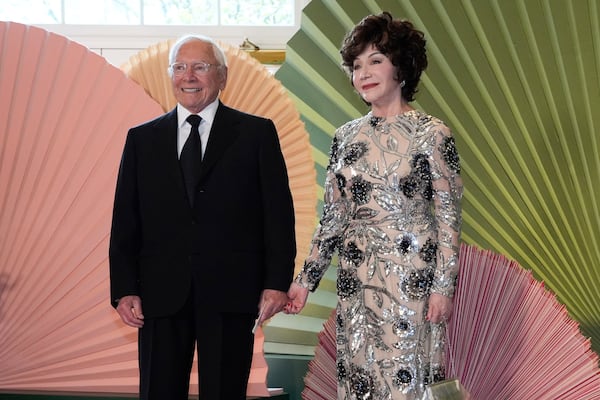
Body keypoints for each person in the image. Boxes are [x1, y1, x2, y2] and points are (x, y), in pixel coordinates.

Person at [285, 12, 463, 399]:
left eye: (375, 60)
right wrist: (305, 280)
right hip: (357, 275)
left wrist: (442, 287)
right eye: (356, 65)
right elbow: (333, 217)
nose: (363, 72)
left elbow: (449, 217)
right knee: (360, 378)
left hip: (411, 276)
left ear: (401, 66)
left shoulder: (432, 133)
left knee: (408, 380)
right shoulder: (345, 136)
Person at [109, 34, 296, 400]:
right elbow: (125, 222)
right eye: (179, 67)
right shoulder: (141, 140)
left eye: (200, 66)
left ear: (222, 76)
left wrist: (276, 283)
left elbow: (278, 216)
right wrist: (124, 288)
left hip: (232, 293)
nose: (188, 76)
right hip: (160, 295)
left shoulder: (257, 134)